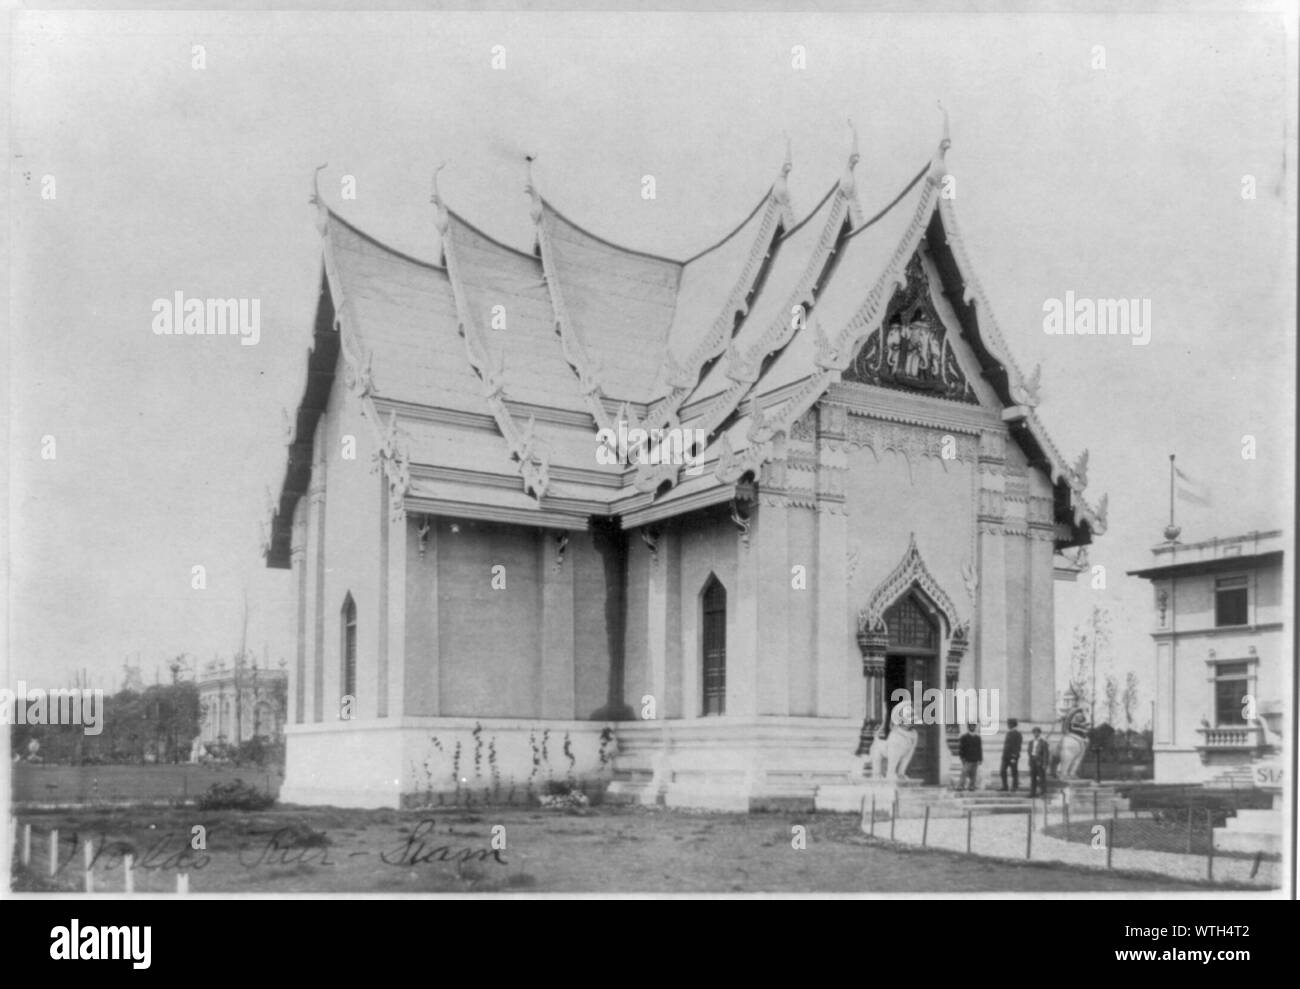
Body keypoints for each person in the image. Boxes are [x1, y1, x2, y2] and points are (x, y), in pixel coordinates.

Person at [1000, 718, 1022, 792]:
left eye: (1009, 724)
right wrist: (1003, 755)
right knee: (1002, 771)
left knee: (1014, 772)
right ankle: (1005, 786)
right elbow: (1006, 746)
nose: (1008, 725)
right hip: (1005, 756)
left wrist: (1014, 756)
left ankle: (1014, 787)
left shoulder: (1018, 734)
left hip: (1013, 757)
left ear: (1013, 724)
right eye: (1008, 724)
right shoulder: (1008, 733)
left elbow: (1018, 746)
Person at [958, 723, 982, 791]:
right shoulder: (964, 737)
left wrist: (980, 759)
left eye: (973, 726)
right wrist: (962, 757)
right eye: (971, 726)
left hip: (975, 759)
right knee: (964, 772)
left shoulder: (978, 738)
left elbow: (979, 749)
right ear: (968, 727)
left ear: (975, 727)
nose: (972, 727)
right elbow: (961, 748)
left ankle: (971, 786)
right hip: (967, 759)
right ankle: (961, 786)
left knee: (973, 774)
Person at [1028, 726, 1049, 798]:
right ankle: (1032, 793)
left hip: (1040, 761)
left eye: (1037, 732)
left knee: (1042, 778)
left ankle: (1043, 793)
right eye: (1034, 732)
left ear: (1040, 733)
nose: (1036, 734)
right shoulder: (1031, 742)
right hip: (1032, 761)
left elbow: (1046, 754)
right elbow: (1029, 751)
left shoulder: (1043, 742)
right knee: (1033, 778)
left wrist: (1045, 764)